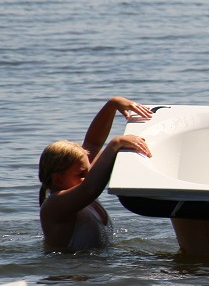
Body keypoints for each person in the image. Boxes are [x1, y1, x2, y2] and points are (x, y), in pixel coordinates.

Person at [39, 97, 153, 250]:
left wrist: (112, 105)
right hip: (69, 272)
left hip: (95, 268)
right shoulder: (53, 206)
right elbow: (90, 189)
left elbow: (94, 142)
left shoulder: (78, 181)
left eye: (88, 170)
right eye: (81, 174)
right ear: (58, 180)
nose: (89, 174)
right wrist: (116, 143)